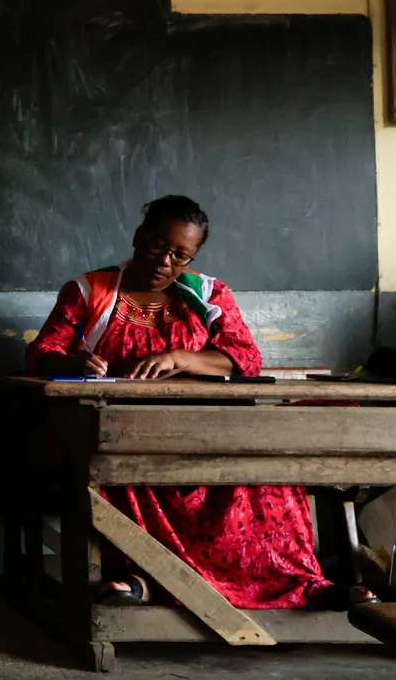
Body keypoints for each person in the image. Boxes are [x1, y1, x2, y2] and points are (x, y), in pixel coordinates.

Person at [25, 195, 375, 610]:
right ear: (138, 237)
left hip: (203, 425)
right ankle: (151, 578)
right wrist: (71, 362)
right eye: (157, 247)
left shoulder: (207, 293)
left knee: (261, 473)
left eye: (180, 255)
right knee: (135, 471)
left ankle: (299, 583)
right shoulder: (90, 290)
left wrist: (181, 357)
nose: (165, 262)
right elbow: (42, 352)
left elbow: (244, 358)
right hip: (121, 428)